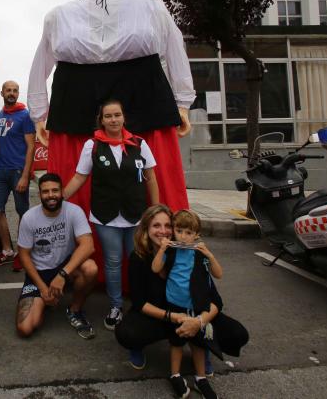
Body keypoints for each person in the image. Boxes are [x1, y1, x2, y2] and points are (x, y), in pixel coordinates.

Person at [27, 0, 195, 244]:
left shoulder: (150, 5)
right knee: (81, 172)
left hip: (141, 88)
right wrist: (40, 113)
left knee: (148, 170)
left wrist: (183, 101)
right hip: (77, 92)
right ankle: (81, 259)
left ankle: (156, 256)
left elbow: (175, 49)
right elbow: (41, 65)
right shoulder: (59, 15)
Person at [115, 205, 248, 398]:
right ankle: (166, 362)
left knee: (237, 334)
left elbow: (215, 301)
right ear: (146, 228)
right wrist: (172, 317)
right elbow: (140, 302)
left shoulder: (193, 255)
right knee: (128, 333)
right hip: (164, 314)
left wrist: (198, 322)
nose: (162, 231)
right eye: (156, 225)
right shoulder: (141, 257)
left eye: (167, 225)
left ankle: (201, 353)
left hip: (193, 311)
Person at [62, 99, 159, 330]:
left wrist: (155, 211)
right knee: (113, 262)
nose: (113, 120)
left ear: (123, 117)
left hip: (136, 214)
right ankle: (115, 306)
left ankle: (141, 304)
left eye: (117, 115)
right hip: (105, 216)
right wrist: (58, 199)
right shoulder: (92, 145)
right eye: (108, 116)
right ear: (102, 120)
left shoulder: (139, 143)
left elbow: (151, 178)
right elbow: (79, 177)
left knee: (139, 261)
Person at [15, 173, 98, 340]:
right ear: (39, 194)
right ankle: (45, 300)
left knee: (91, 268)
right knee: (25, 328)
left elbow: (88, 245)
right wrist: (43, 289)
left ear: (62, 192)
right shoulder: (29, 217)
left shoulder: (74, 211)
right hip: (39, 273)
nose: (51, 195)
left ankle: (75, 310)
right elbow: (24, 256)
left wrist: (62, 275)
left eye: (55, 190)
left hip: (64, 267)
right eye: (46, 192)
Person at [150, 210, 223, 399]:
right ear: (174, 231)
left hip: (197, 304)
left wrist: (210, 255)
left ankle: (201, 378)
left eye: (188, 233)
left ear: (196, 235)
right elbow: (156, 268)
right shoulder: (172, 251)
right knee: (176, 342)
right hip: (175, 305)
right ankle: (175, 374)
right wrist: (163, 249)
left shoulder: (199, 253)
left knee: (199, 344)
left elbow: (218, 274)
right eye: (179, 230)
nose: (183, 236)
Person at [0, 81, 36, 271]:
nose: (12, 93)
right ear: (2, 92)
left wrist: (25, 175)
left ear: (18, 93)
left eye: (15, 90)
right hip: (0, 170)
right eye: (8, 90)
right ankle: (7, 251)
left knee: (23, 212)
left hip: (17, 171)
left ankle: (23, 253)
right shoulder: (2, 114)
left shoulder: (24, 116)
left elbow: (31, 146)